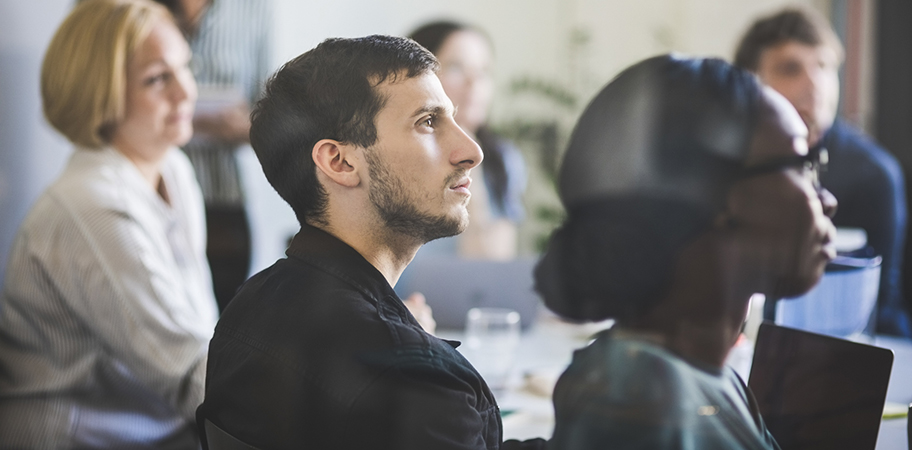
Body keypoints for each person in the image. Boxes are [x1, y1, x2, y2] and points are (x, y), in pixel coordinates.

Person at [199, 35, 544, 450]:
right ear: (340, 162)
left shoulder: (246, 307)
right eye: (428, 122)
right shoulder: (413, 379)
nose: (471, 150)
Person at [535, 55, 837, 449]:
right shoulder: (639, 402)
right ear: (716, 192)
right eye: (803, 165)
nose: (826, 199)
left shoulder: (704, 374)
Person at [0, 0, 218, 447]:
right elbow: (188, 376)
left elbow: (200, 335)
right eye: (158, 78)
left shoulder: (171, 167)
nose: (186, 92)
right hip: (80, 437)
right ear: (101, 92)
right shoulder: (91, 207)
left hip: (151, 427)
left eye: (185, 68)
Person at [734, 8, 911, 337]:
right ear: (749, 81)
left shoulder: (873, 174)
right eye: (790, 68)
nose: (815, 84)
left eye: (824, 67)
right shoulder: (725, 162)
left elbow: (882, 306)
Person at [152, 0, 274, 310]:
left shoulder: (253, 8)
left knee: (222, 311)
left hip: (223, 198)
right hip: (151, 191)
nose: (184, 91)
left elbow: (268, 112)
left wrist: (243, 126)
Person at [409, 21, 526, 260]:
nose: (475, 83)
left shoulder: (504, 159)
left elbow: (493, 264)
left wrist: (472, 166)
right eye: (456, 67)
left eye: (484, 71)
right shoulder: (398, 152)